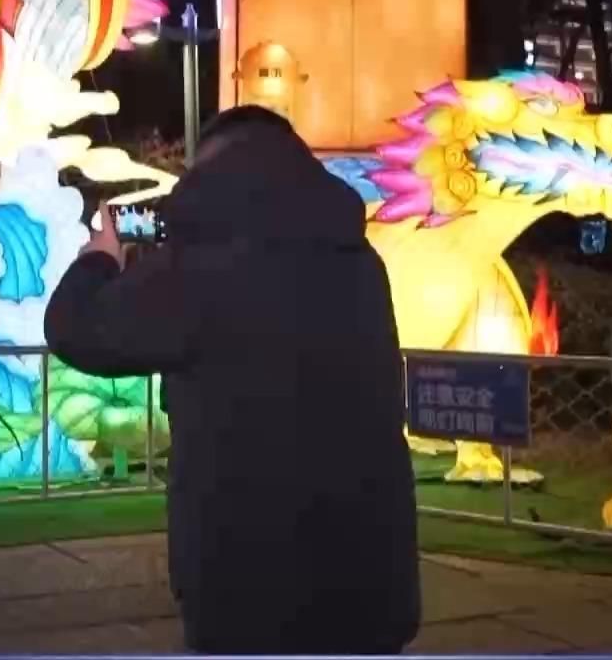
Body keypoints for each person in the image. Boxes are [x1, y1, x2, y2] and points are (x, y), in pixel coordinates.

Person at [44, 105, 421, 655]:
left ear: (209, 175)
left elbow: (76, 328)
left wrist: (100, 259)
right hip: (370, 575)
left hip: (246, 582)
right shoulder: (360, 262)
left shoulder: (194, 269)